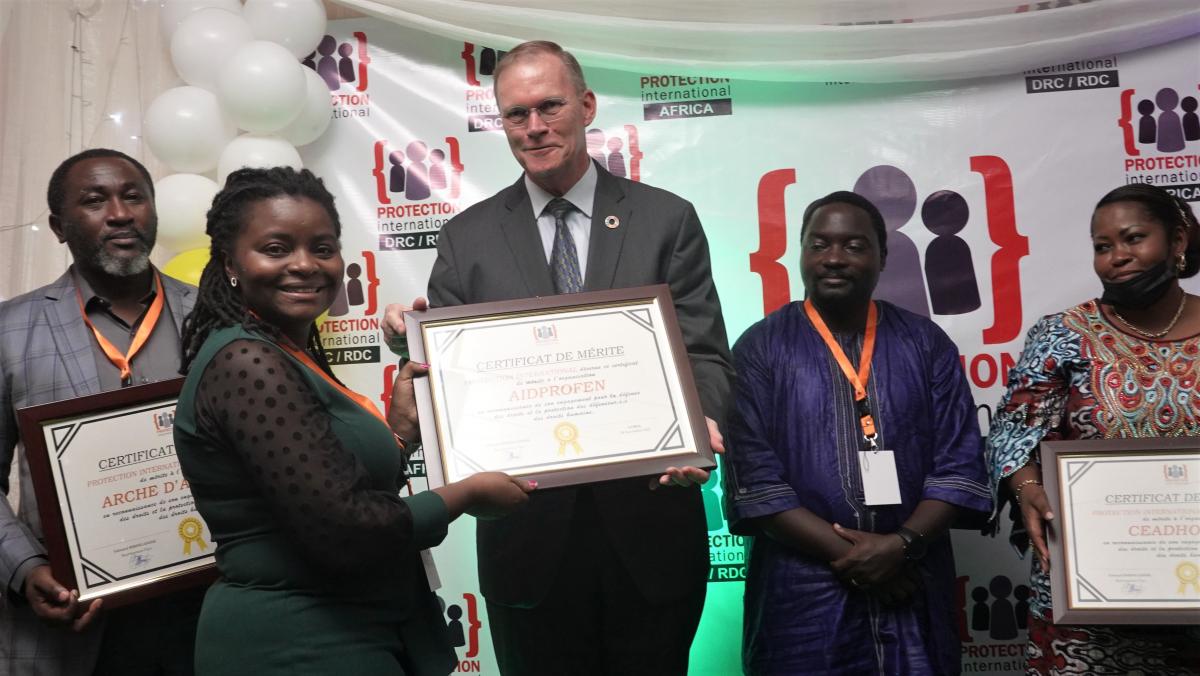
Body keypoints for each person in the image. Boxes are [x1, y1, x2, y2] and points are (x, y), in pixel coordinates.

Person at [382, 40, 734, 675]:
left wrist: (698, 428)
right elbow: (452, 381)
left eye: (550, 106)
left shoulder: (666, 219)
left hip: (652, 529)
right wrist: (414, 344)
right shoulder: (468, 238)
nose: (535, 126)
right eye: (517, 114)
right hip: (527, 543)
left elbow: (704, 352)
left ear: (587, 105)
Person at [172, 167, 534, 676]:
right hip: (297, 642)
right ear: (231, 262)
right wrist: (469, 494)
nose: (304, 265)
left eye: (322, 248)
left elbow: (323, 484)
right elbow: (350, 531)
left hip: (355, 628)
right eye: (276, 248)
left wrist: (401, 435)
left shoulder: (284, 350)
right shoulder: (247, 363)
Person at [722, 191, 992, 675]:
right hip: (802, 589)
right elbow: (756, 484)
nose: (834, 259)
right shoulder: (760, 348)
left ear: (883, 257)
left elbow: (959, 466)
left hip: (912, 578)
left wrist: (901, 546)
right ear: (800, 253)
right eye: (819, 244)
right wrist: (862, 560)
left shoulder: (925, 343)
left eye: (854, 245)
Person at [0, 148, 202, 675]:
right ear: (58, 226)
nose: (119, 212)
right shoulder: (8, 331)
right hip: (74, 625)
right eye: (95, 200)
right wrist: (24, 568)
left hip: (208, 612)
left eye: (134, 196)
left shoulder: (215, 317)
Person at [986, 184, 1200, 675]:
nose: (1116, 258)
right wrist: (1028, 487)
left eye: (1133, 239)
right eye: (1102, 248)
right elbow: (1011, 430)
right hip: (1090, 596)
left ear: (1178, 240)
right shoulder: (1063, 334)